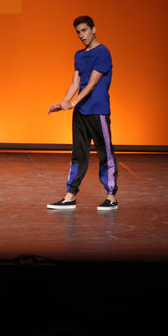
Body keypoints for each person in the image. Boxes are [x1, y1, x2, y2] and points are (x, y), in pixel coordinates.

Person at [46, 16, 118, 210]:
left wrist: (73, 102)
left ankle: (111, 196)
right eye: (78, 32)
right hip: (80, 113)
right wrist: (62, 103)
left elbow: (93, 83)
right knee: (78, 153)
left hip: (98, 111)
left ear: (93, 29)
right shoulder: (79, 55)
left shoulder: (103, 52)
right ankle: (70, 196)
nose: (81, 35)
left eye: (84, 30)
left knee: (105, 152)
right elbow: (75, 83)